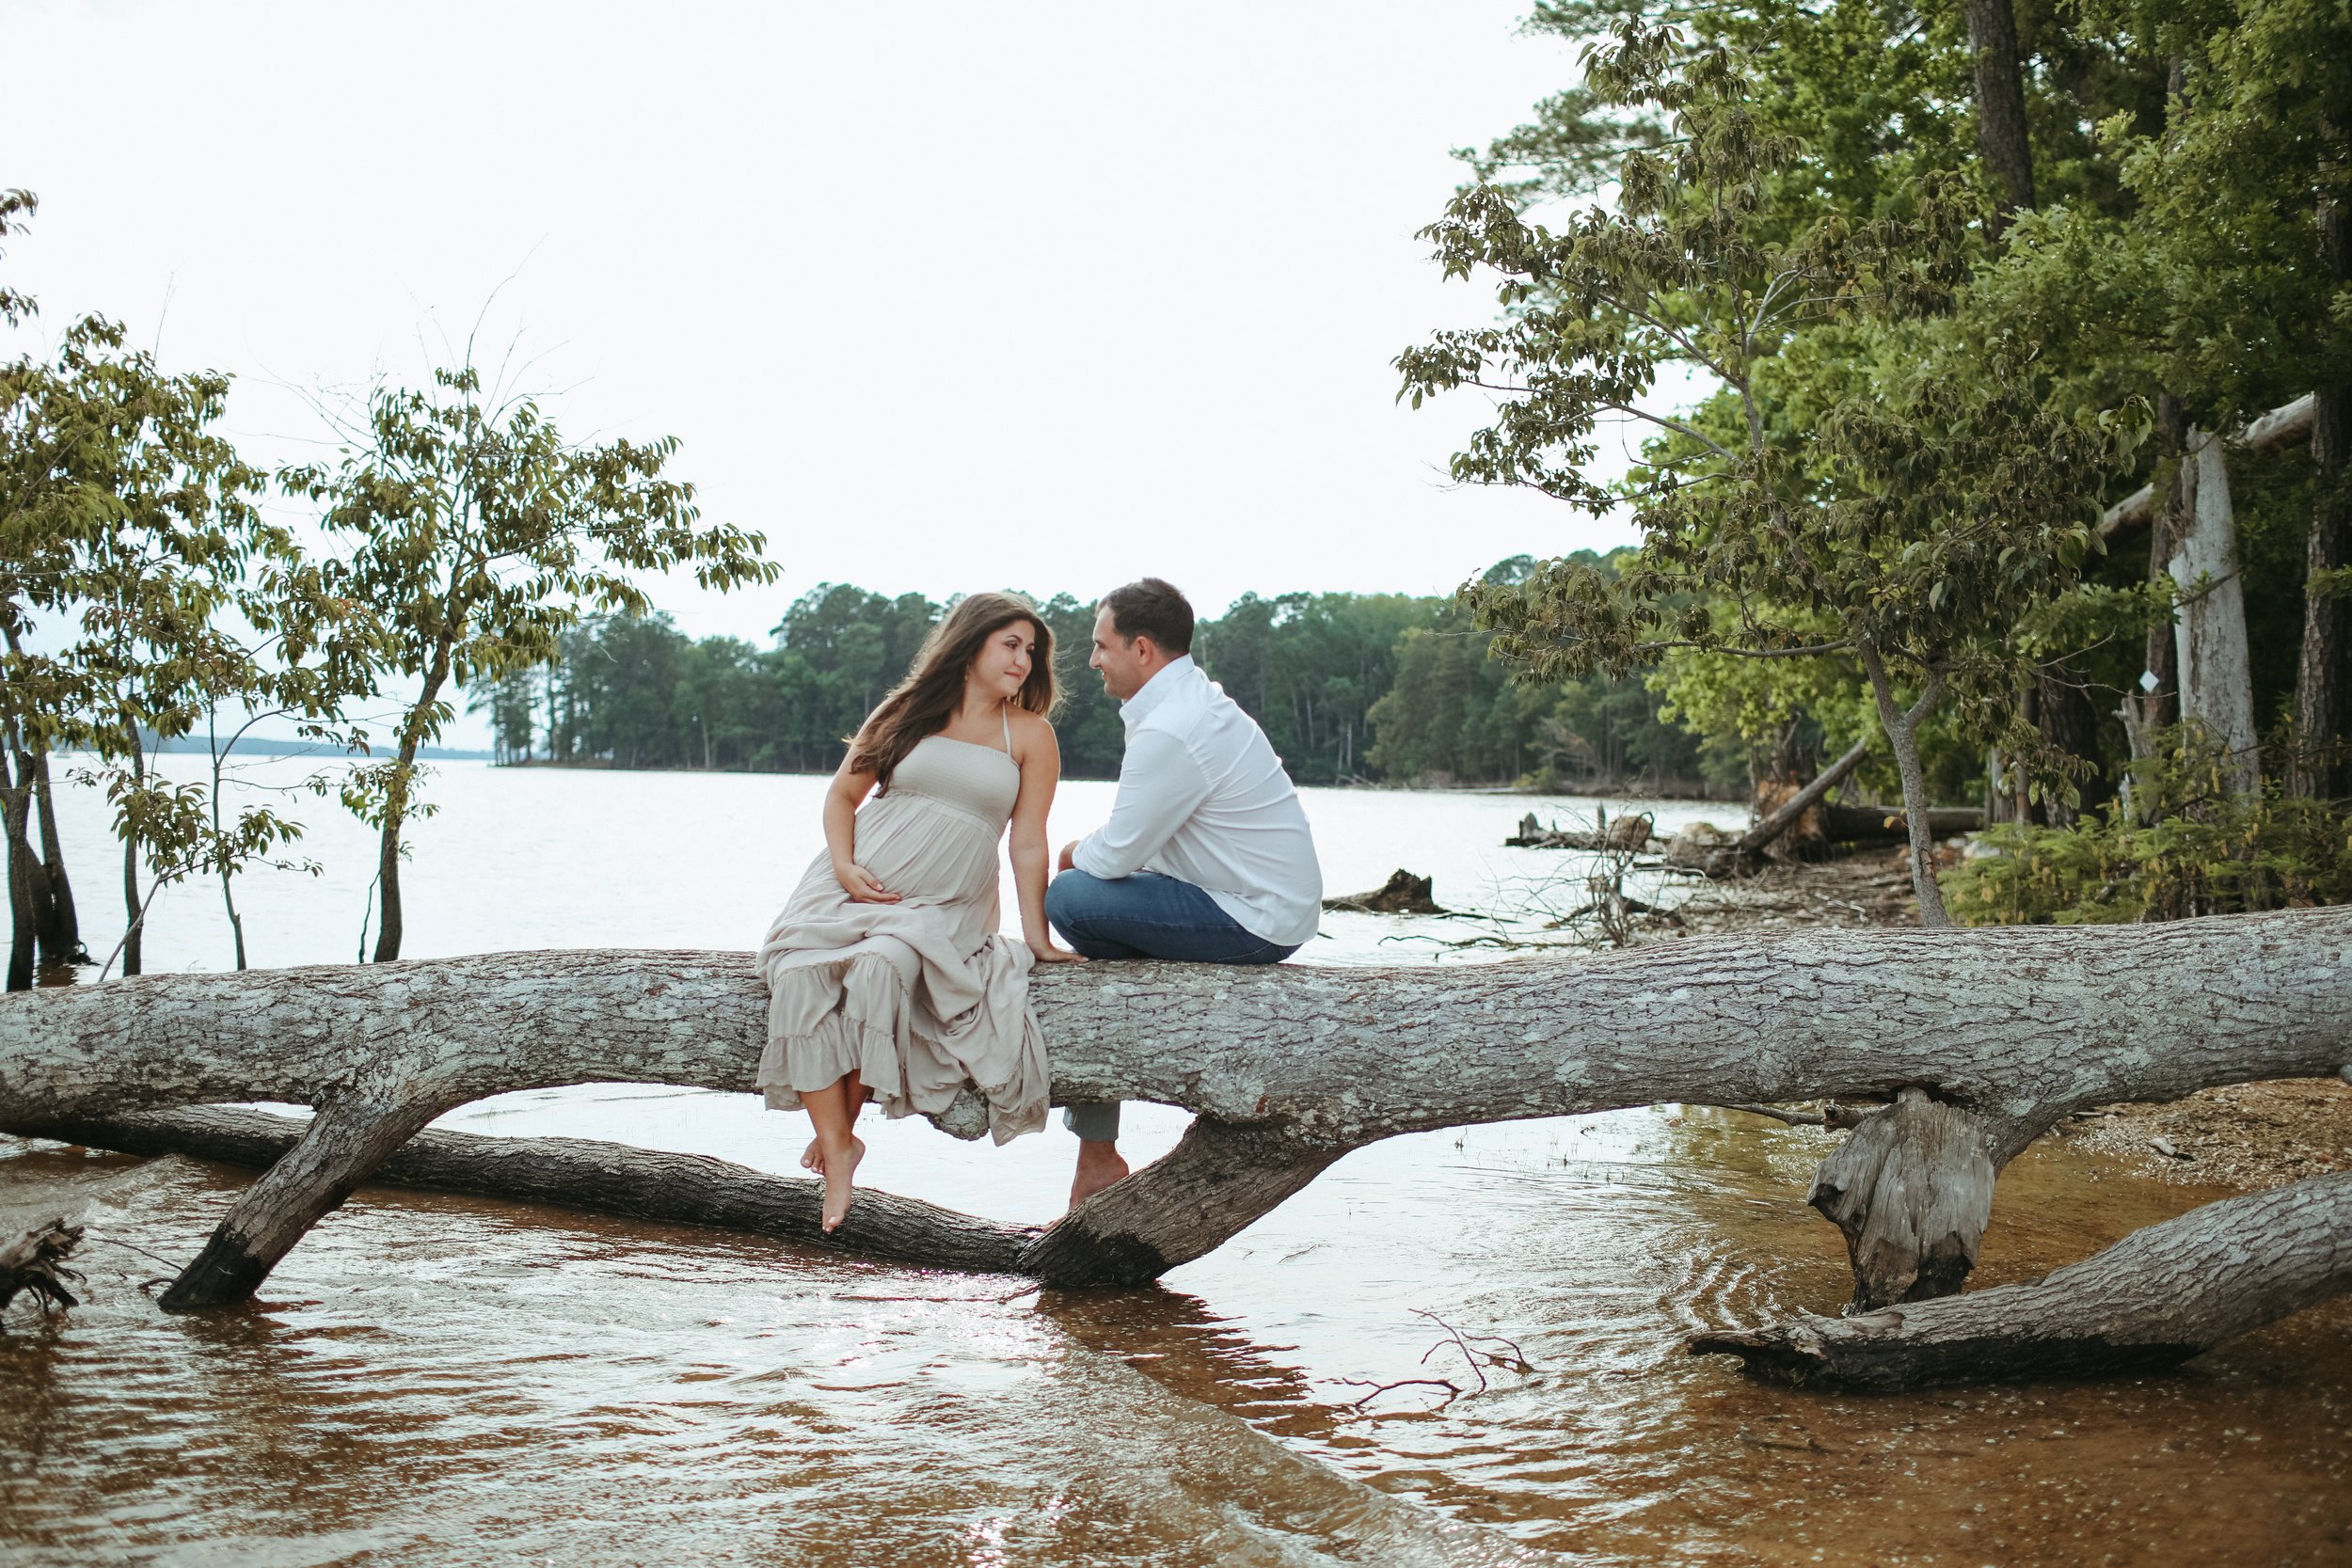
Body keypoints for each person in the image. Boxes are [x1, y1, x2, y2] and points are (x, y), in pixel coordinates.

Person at [755, 593, 1085, 1232]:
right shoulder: (906, 710)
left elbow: (1026, 841)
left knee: (881, 966)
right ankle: (841, 1145)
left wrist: (1037, 935)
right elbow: (842, 795)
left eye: (1031, 650)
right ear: (971, 644)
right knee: (798, 973)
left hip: (943, 903)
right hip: (856, 881)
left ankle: (838, 1138)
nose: (1024, 658)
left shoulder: (1031, 735)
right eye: (1011, 644)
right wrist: (846, 865)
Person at [1045, 578, 1322, 1208]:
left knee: (1067, 899)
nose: (1092, 659)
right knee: (1099, 931)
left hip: (1255, 916)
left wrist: (1067, 855)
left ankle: (1096, 1153)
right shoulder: (1188, 706)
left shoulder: (1173, 726)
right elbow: (1136, 842)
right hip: (1247, 898)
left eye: (1101, 645)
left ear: (1142, 650)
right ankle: (1097, 1154)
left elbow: (1115, 853)